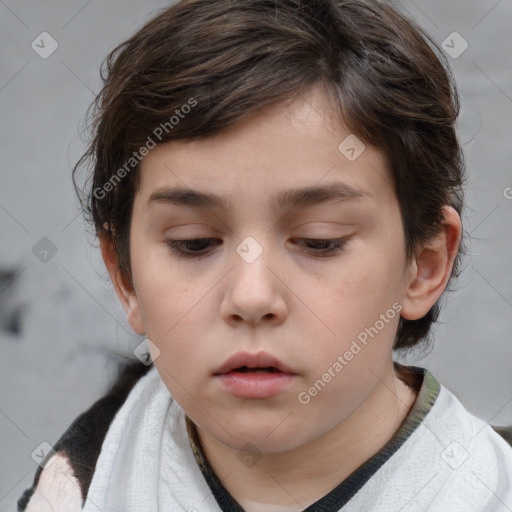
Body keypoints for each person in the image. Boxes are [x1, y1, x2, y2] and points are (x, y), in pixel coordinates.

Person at [18, 0, 512, 510]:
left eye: (320, 241)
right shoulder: (83, 488)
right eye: (194, 243)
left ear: (424, 265)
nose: (252, 296)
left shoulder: (486, 488)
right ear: (124, 275)